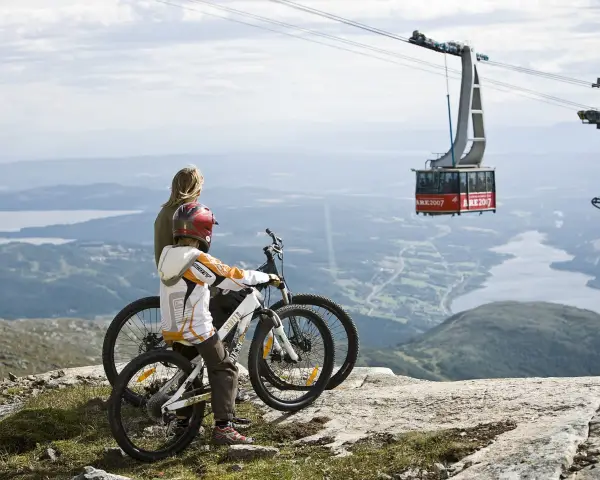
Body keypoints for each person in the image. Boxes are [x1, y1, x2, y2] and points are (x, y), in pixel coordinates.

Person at [157, 201, 281, 445]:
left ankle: (184, 424)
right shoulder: (195, 258)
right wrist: (266, 277)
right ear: (204, 231)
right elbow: (230, 276)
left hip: (172, 328)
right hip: (195, 328)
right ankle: (224, 428)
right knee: (225, 369)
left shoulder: (168, 254)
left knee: (189, 372)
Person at [154, 165, 204, 267]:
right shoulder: (185, 216)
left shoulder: (164, 212)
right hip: (186, 277)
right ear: (197, 191)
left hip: (167, 276)